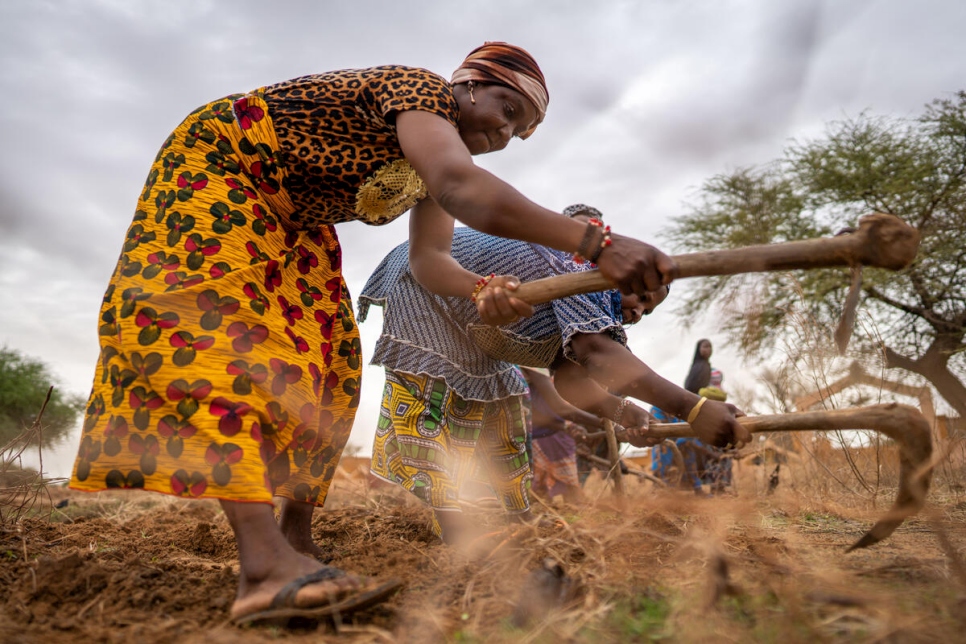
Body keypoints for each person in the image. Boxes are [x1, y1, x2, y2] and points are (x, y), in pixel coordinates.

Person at [68, 43, 679, 626]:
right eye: (507, 111)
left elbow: (429, 261)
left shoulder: (429, 168)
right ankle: (263, 569)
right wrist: (597, 242)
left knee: (325, 357)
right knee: (215, 341)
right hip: (224, 167)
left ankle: (294, 538)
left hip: (292, 218)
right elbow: (464, 191)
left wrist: (476, 289)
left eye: (517, 134)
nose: (503, 136)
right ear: (469, 82)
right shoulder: (419, 93)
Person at [359, 204, 748, 542]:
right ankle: (456, 526)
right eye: (641, 298)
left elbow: (570, 376)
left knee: (507, 404)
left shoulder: (596, 308)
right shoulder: (585, 268)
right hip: (427, 287)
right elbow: (598, 357)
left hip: (480, 326)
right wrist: (693, 409)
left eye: (648, 312)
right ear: (624, 279)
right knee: (435, 401)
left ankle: (519, 517)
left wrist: (619, 410)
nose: (638, 312)